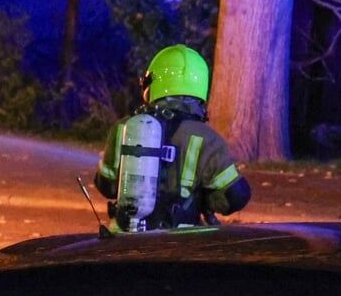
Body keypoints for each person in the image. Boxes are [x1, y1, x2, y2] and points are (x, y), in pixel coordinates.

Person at [93, 45, 251, 230]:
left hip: (125, 237)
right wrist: (204, 199)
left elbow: (106, 185)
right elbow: (235, 197)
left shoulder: (124, 128)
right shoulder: (207, 138)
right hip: (181, 243)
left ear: (151, 84)